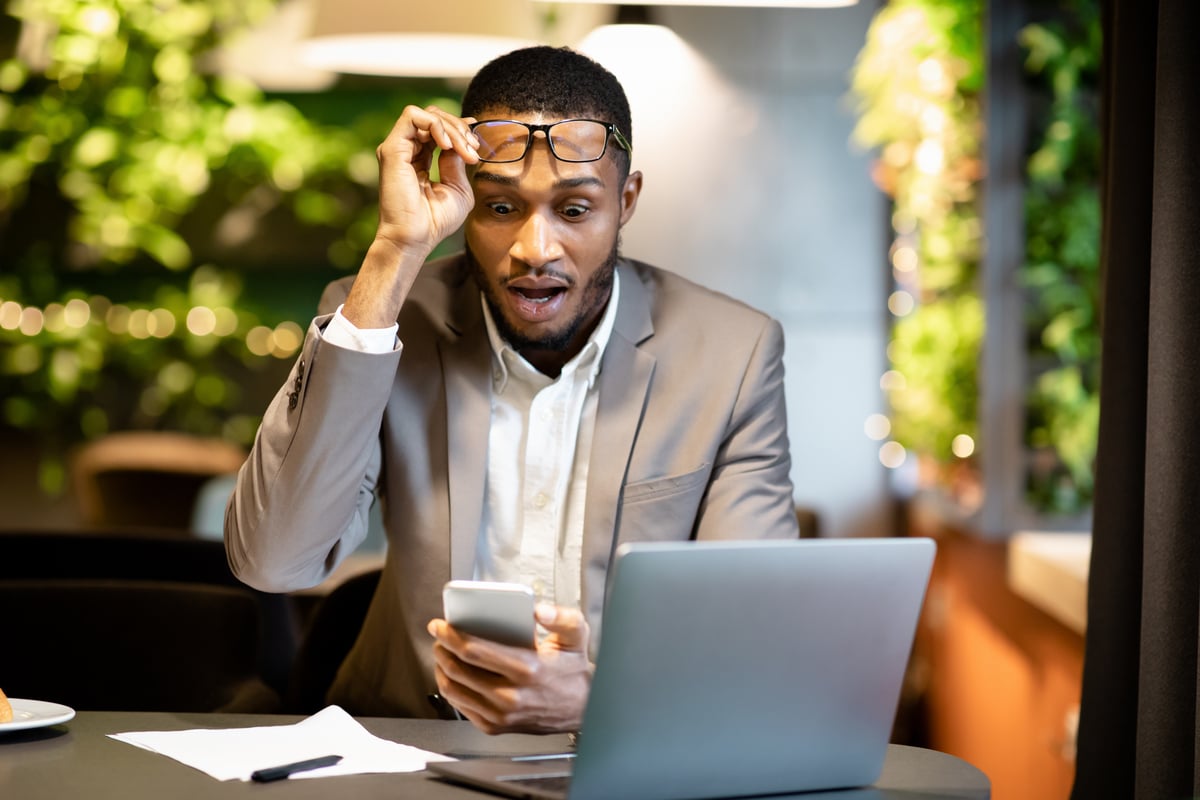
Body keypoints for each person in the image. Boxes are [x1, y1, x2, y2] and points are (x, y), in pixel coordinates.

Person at [225, 45, 799, 734]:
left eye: (576, 210)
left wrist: (599, 704)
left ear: (627, 201)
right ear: (462, 203)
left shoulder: (731, 354)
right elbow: (274, 560)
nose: (536, 249)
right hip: (405, 750)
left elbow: (754, 639)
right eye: (500, 206)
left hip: (616, 756)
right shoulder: (383, 315)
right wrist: (395, 250)